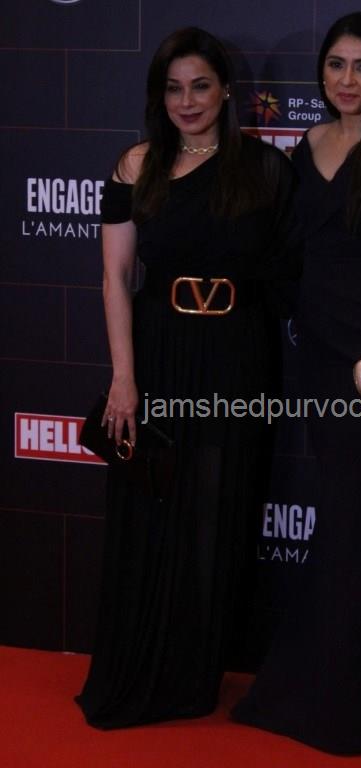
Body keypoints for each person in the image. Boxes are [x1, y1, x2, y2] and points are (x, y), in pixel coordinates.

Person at [75, 26, 298, 729]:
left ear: (226, 90)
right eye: (173, 88)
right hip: (158, 349)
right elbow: (115, 277)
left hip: (237, 353)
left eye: (200, 85)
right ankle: (142, 663)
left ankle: (194, 673)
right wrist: (123, 378)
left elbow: (297, 272)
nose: (187, 101)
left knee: (216, 511)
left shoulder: (264, 168)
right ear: (159, 96)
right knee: (152, 504)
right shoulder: (135, 164)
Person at [232, 12, 361, 757]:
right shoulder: (304, 146)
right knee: (351, 522)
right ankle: (333, 692)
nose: (347, 81)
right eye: (335, 65)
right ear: (321, 73)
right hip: (321, 359)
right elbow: (291, 250)